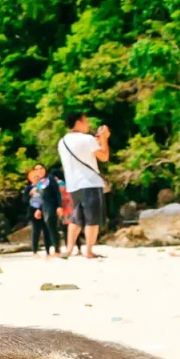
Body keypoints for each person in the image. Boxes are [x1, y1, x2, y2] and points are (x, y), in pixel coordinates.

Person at [58, 111, 110, 259]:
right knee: (92, 219)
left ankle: (68, 249)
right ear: (79, 122)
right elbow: (104, 156)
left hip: (74, 185)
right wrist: (104, 139)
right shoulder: (87, 139)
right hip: (90, 183)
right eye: (86, 121)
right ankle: (89, 250)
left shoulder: (63, 141)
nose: (88, 124)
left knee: (76, 219)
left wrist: (97, 139)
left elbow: (83, 151)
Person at [23, 164, 62, 257]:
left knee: (52, 228)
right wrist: (39, 209)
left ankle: (56, 250)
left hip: (52, 205)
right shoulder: (39, 183)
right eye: (36, 169)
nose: (39, 171)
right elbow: (41, 198)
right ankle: (52, 251)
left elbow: (57, 193)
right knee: (46, 228)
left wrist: (59, 206)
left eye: (41, 168)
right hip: (43, 207)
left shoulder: (50, 179)